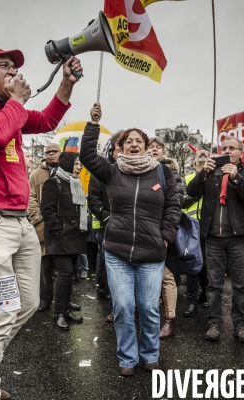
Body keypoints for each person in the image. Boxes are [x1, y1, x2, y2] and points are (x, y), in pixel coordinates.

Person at [0, 45, 81, 400]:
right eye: (4, 66)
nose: (12, 71)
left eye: (14, 67)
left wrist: (65, 84)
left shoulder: (9, 110)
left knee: (28, 303)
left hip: (18, 223)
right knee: (3, 309)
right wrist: (17, 102)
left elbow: (47, 120)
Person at [80, 103, 181, 376]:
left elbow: (173, 206)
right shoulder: (112, 171)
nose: (134, 144)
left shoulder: (162, 173)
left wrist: (166, 237)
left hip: (152, 252)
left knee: (148, 307)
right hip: (117, 251)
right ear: (121, 147)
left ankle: (149, 354)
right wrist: (93, 124)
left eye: (139, 141)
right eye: (128, 141)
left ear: (147, 146)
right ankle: (127, 356)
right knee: (123, 306)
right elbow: (87, 156)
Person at [186, 137, 244, 344]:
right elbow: (191, 192)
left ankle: (240, 325)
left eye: (231, 148)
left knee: (239, 285)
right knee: (214, 284)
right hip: (213, 238)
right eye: (223, 148)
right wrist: (203, 173)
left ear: (241, 152)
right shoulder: (210, 173)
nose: (227, 151)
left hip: (239, 238)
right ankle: (215, 323)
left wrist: (237, 178)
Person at [40, 152, 87, 330]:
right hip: (60, 238)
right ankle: (58, 313)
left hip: (75, 236)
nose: (79, 167)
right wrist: (58, 230)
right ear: (67, 164)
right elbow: (47, 210)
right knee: (65, 272)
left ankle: (66, 309)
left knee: (70, 273)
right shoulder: (54, 182)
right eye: (76, 164)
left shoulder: (75, 182)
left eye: (80, 164)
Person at [148, 136, 184, 339]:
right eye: (150, 147)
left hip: (164, 231)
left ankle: (170, 319)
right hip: (145, 230)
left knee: (167, 276)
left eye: (157, 147)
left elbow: (177, 200)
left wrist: (167, 233)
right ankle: (151, 317)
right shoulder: (142, 171)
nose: (154, 150)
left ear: (163, 152)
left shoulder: (169, 172)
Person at [88, 133, 121, 323]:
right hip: (111, 228)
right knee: (113, 271)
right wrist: (106, 217)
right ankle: (115, 308)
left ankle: (137, 310)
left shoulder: (144, 170)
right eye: (118, 144)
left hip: (138, 229)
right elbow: (93, 198)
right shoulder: (102, 171)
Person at [28, 143, 61, 312]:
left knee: (64, 267)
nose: (51, 154)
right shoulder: (36, 174)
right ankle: (45, 298)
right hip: (43, 226)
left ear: (60, 153)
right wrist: (37, 219)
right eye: (48, 152)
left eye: (54, 151)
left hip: (63, 227)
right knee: (44, 266)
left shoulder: (66, 171)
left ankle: (64, 302)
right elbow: (31, 197)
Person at [182, 149, 210, 316]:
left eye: (205, 153)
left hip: (208, 228)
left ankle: (206, 295)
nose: (201, 155)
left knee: (206, 266)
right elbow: (183, 201)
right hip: (191, 228)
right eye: (198, 154)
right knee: (192, 267)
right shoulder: (187, 178)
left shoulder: (215, 176)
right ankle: (191, 301)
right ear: (193, 161)